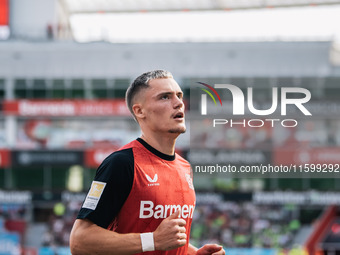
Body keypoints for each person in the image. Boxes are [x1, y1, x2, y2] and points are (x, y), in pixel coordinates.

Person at [70, 70, 225, 255]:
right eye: (165, 97)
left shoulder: (184, 167)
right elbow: (79, 241)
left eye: (179, 95)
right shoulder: (122, 163)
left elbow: (164, 241)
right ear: (139, 110)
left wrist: (193, 253)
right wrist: (153, 240)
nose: (178, 103)